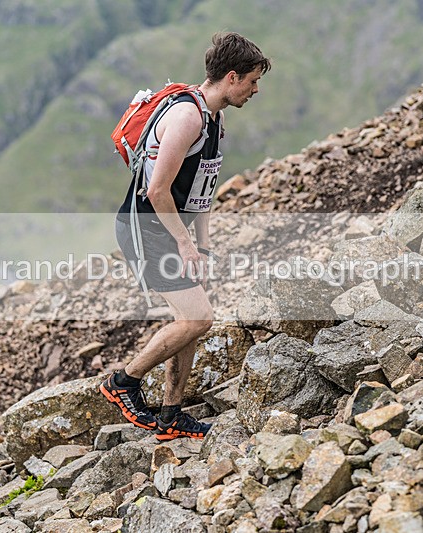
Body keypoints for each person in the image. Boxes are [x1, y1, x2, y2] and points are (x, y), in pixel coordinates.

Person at [101, 32, 270, 441]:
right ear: (231, 78)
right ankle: (123, 381)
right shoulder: (186, 118)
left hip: (171, 229)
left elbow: (203, 192)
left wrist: (203, 246)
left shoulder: (214, 117)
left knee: (191, 317)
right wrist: (185, 242)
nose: (255, 89)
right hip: (146, 228)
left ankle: (171, 414)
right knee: (199, 318)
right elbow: (157, 191)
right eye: (251, 81)